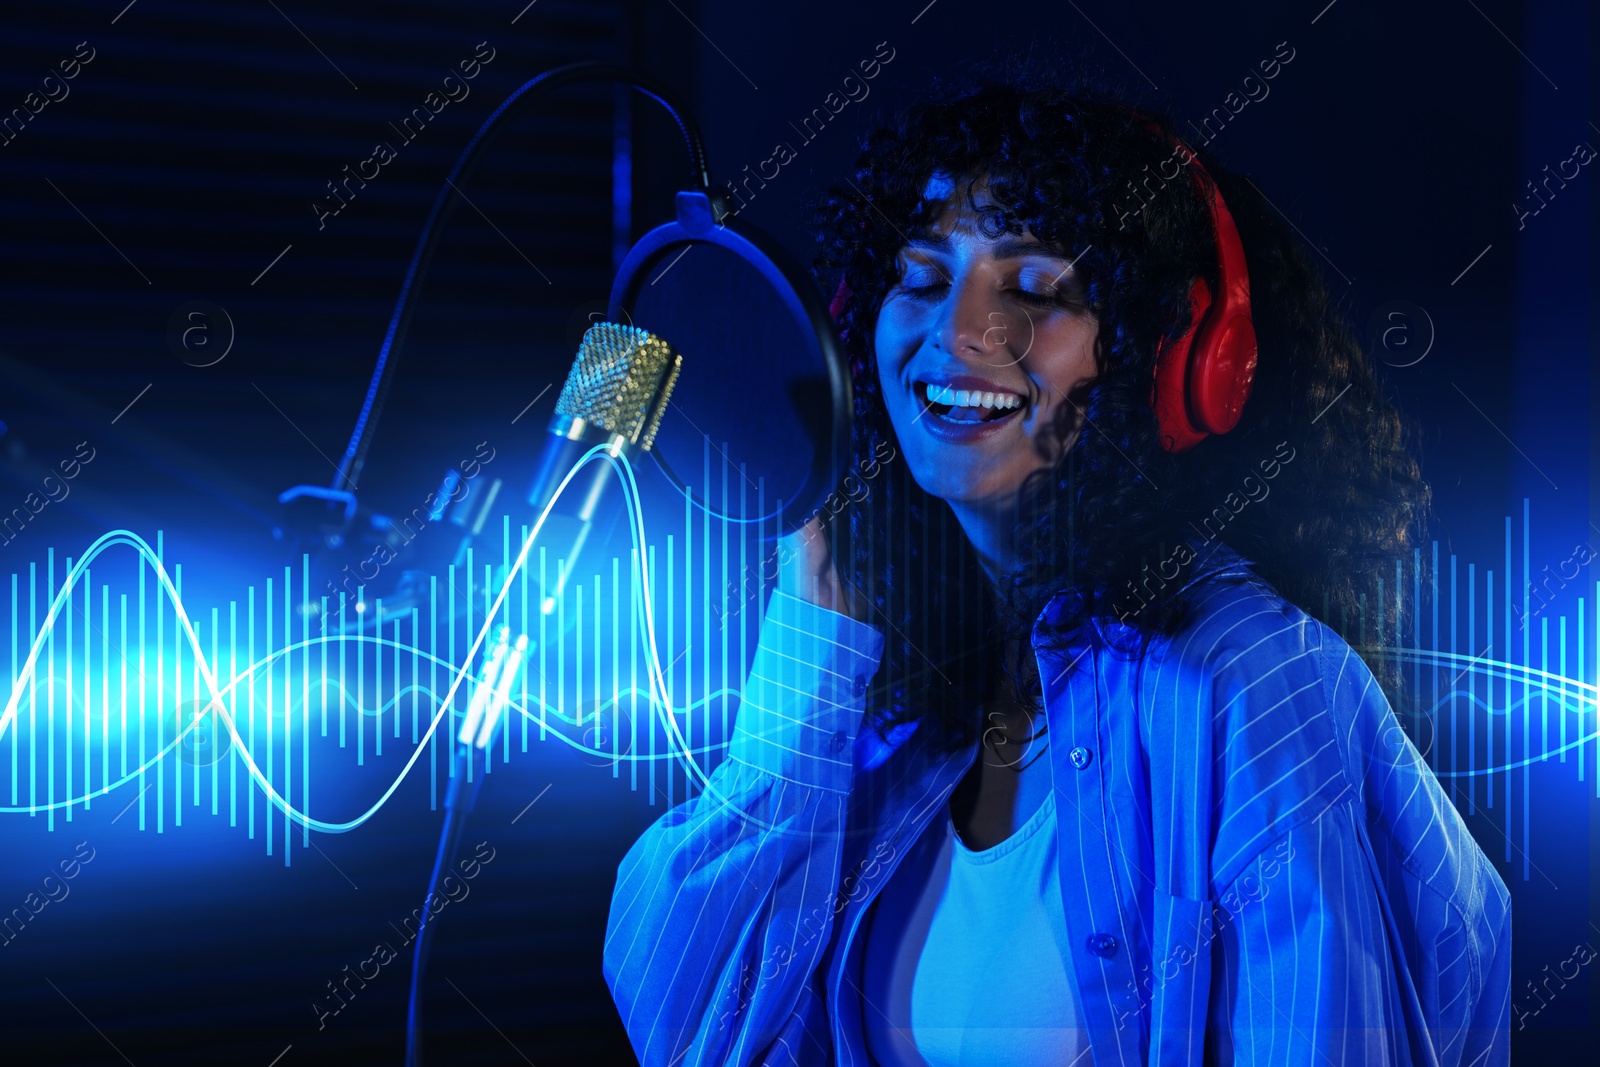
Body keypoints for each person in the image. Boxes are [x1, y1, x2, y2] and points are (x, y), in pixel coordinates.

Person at [603, 72, 1511, 1066]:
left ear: (1174, 362)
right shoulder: (895, 709)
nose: (957, 332)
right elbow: (685, 1026)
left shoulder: (1255, 682)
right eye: (917, 277)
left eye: (1034, 291)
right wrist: (805, 656)